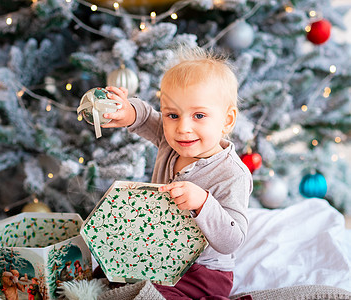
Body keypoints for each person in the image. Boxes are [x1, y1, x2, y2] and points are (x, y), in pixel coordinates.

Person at [101, 46, 253, 299]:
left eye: (199, 115)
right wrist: (128, 112)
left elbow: (231, 241)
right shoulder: (168, 140)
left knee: (154, 295)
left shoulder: (231, 173)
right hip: (158, 254)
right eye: (173, 114)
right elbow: (146, 117)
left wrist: (204, 204)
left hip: (203, 272)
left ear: (227, 120)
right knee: (107, 275)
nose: (182, 128)